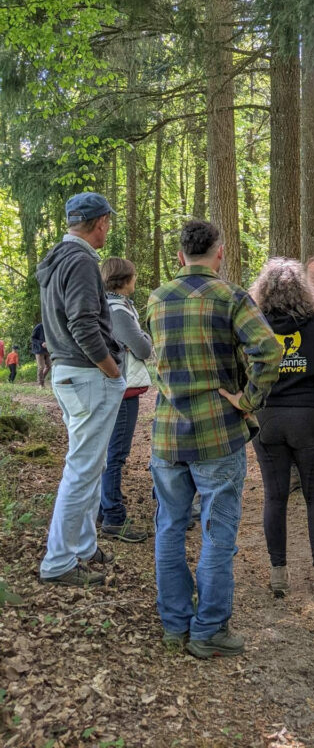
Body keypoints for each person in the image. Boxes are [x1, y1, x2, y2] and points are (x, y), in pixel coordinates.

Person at [147, 220, 281, 658]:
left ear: (181, 256)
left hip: (168, 433)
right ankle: (208, 630)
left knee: (169, 529)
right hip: (217, 433)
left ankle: (175, 626)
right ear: (219, 253)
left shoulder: (157, 299)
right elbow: (270, 350)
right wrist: (249, 399)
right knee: (217, 532)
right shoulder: (231, 297)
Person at [234, 258, 314, 598]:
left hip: (268, 417)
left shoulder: (257, 324)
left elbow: (240, 359)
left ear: (263, 291)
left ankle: (278, 575)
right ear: (304, 289)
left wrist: (249, 391)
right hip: (309, 417)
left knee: (275, 496)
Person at [37, 192, 126, 588]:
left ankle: (84, 546)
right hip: (88, 375)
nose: (108, 228)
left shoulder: (57, 258)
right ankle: (58, 561)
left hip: (67, 372)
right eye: (107, 222)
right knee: (83, 468)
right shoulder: (82, 261)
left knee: (91, 463)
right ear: (100, 222)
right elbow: (83, 324)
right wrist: (112, 370)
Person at [99, 258, 154, 544]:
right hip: (122, 389)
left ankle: (102, 510)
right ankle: (113, 517)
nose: (136, 280)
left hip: (116, 387)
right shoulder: (118, 310)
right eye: (133, 276)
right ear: (123, 279)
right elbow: (143, 348)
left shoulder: (110, 305)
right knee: (116, 454)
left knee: (109, 452)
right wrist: (143, 337)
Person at [31, 321, 52, 387]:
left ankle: (41, 379)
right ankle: (41, 384)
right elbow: (32, 339)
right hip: (39, 350)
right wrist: (41, 343)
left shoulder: (51, 326)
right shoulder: (39, 326)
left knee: (49, 366)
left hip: (47, 350)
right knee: (41, 367)